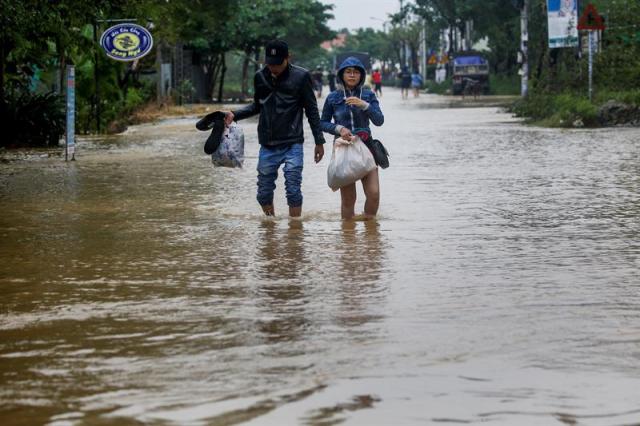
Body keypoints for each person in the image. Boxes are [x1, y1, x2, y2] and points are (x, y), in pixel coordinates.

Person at [223, 40, 325, 217]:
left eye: (277, 64)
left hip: (293, 142)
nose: (273, 68)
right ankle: (270, 227)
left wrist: (319, 140)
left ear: (288, 58)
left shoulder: (301, 77)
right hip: (268, 144)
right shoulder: (260, 77)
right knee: (263, 194)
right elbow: (257, 106)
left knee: (293, 188)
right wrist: (234, 114)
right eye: (270, 64)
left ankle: (295, 231)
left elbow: (312, 110)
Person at [320, 56, 384, 220]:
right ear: (341, 75)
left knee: (374, 194)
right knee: (349, 199)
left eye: (356, 72)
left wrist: (364, 105)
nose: (352, 75)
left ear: (361, 75)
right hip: (344, 149)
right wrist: (339, 128)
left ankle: (371, 233)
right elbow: (322, 123)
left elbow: (379, 121)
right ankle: (349, 238)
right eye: (348, 72)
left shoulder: (369, 95)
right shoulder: (333, 97)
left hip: (367, 148)